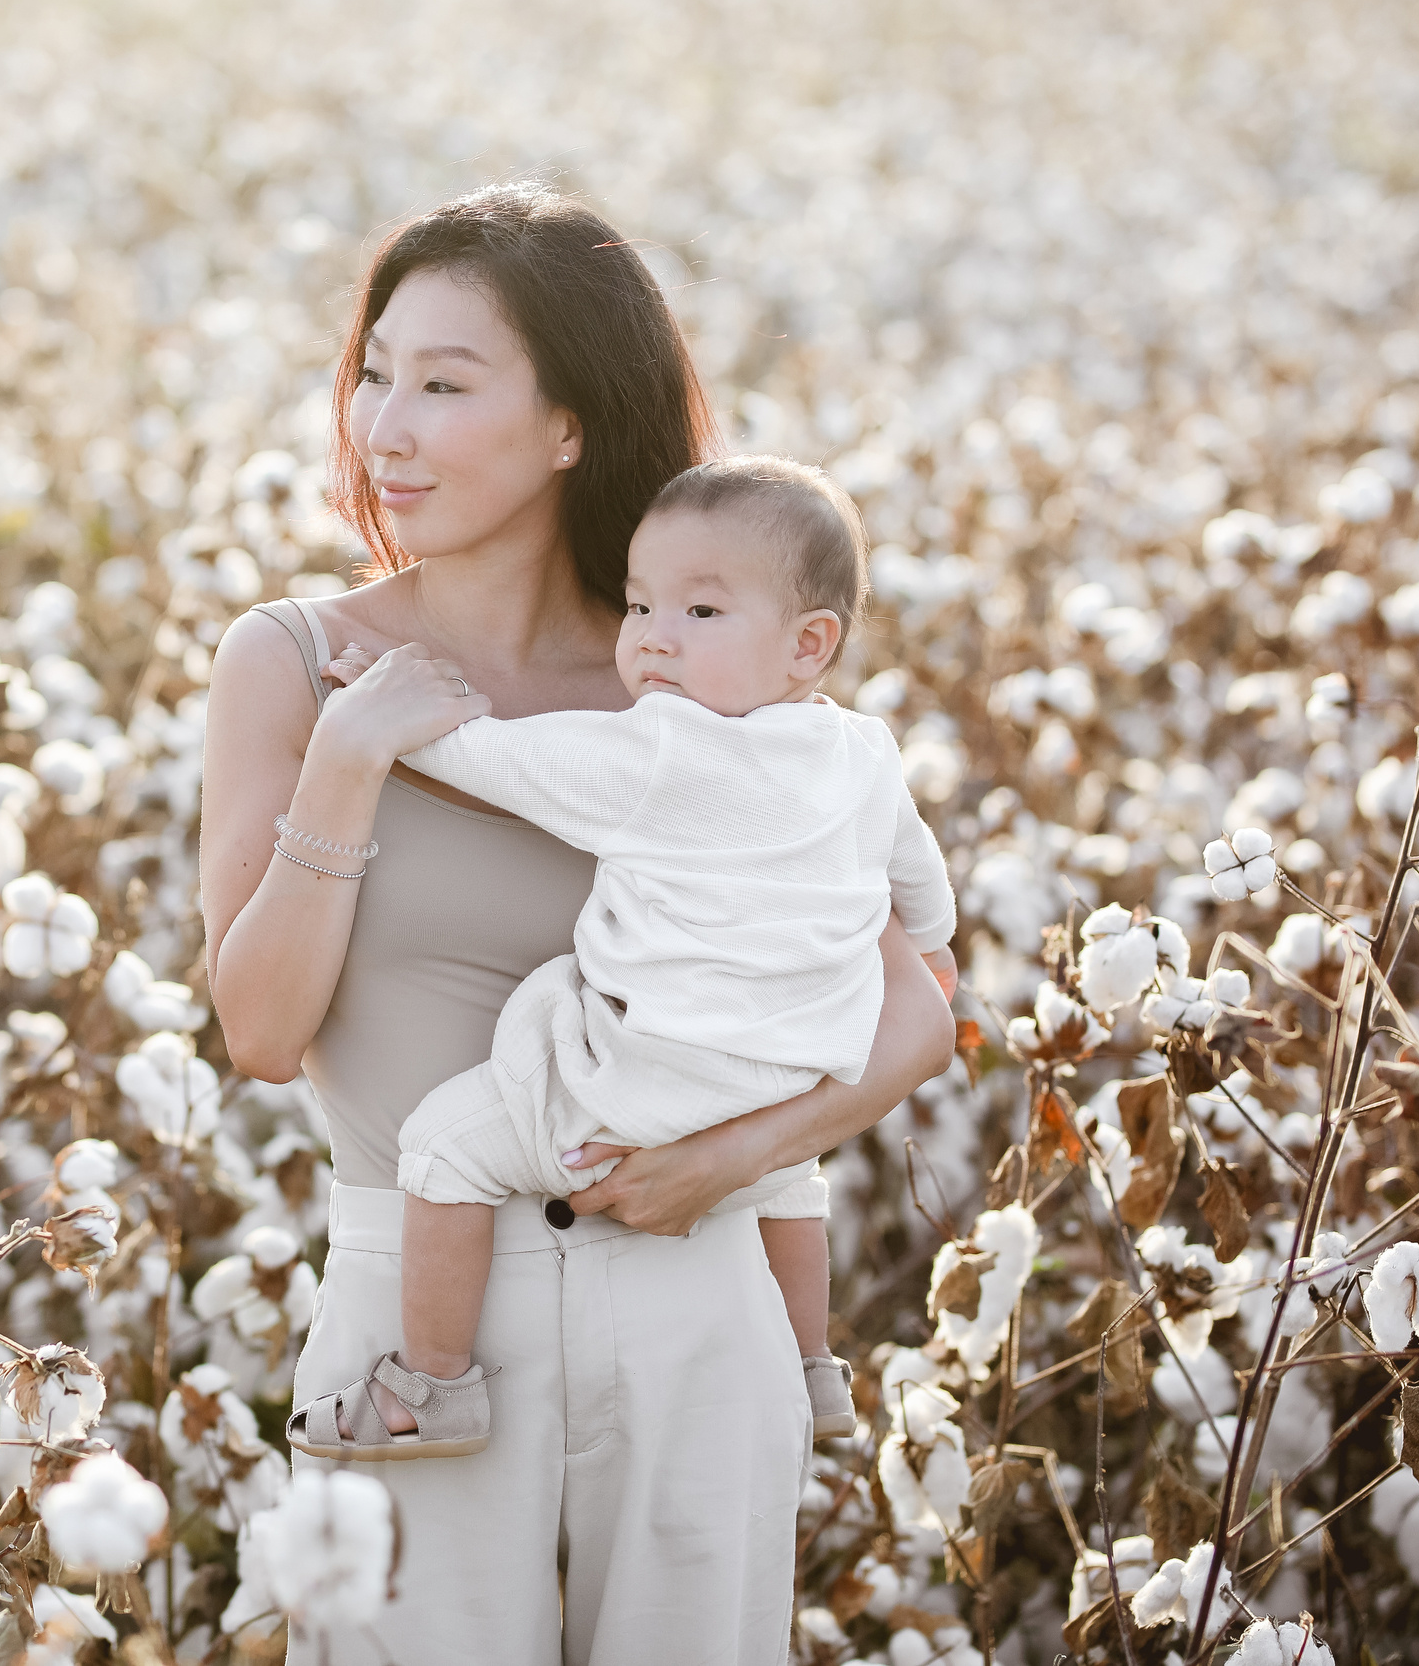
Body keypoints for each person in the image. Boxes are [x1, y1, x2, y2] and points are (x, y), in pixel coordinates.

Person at [200, 183, 958, 1665]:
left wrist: (718, 1166)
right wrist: (354, 752)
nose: (384, 427)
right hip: (417, 1310)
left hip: (692, 1291)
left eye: (444, 384)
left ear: (569, 427)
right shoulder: (292, 660)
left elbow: (918, 1003)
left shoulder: (694, 657)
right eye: (373, 374)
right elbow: (263, 1029)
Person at [276, 455, 958, 1471]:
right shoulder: (860, 751)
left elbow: (501, 762)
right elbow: (919, 876)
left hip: (650, 1075)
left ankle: (430, 1384)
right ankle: (810, 1368)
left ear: (810, 644)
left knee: (444, 1150)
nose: (651, 637)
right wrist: (935, 950)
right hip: (794, 1065)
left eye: (699, 613)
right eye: (641, 606)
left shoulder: (661, 752)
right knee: (783, 1180)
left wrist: (376, 715)